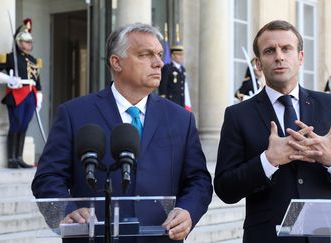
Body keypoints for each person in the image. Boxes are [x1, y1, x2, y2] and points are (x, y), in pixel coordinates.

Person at [31, 23, 212, 242]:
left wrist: (188, 211)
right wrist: (66, 210)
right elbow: (48, 178)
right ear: (116, 62)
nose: (158, 63)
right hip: (94, 236)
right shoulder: (74, 114)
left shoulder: (180, 118)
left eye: (158, 55)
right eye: (145, 55)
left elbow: (198, 180)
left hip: (159, 237)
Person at [214, 20, 331, 243]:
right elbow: (224, 188)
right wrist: (267, 161)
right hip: (269, 237)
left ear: (301, 57)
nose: (279, 56)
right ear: (258, 64)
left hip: (328, 235)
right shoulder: (238, 115)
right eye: (270, 51)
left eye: (286, 49)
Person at [0, 18, 43, 169]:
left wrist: (39, 97)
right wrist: (8, 79)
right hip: (17, 94)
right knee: (15, 125)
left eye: (30, 42)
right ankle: (11, 158)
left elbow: (37, 81)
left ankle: (19, 157)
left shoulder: (33, 60)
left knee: (24, 126)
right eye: (26, 42)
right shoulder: (10, 57)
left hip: (30, 94)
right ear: (19, 42)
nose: (29, 44)